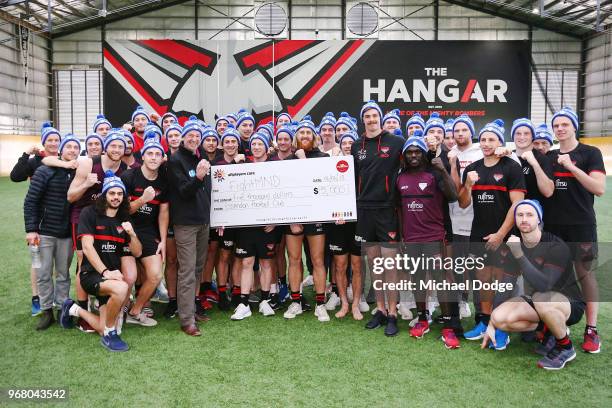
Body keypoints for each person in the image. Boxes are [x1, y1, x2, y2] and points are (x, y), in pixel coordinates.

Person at [486, 200, 585, 369]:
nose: (524, 219)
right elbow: (506, 285)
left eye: (529, 215)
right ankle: (551, 328)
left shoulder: (555, 246)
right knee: (500, 318)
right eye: (520, 215)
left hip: (570, 304)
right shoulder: (515, 245)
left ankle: (565, 347)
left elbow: (544, 285)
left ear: (539, 220)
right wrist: (491, 323)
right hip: (539, 302)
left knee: (541, 297)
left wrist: (518, 253)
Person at [458, 119, 526, 349]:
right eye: (484, 139)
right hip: (479, 233)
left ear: (499, 141)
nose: (486, 143)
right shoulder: (472, 169)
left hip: (504, 235)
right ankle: (484, 321)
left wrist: (500, 234)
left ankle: (500, 328)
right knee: (482, 280)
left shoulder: (511, 167)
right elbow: (464, 203)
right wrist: (467, 184)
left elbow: (517, 206)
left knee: (501, 282)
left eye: (491, 139)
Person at [59, 172, 142, 352]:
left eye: (120, 194)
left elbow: (137, 252)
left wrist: (132, 235)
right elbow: (87, 248)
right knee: (122, 287)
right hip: (92, 275)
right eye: (112, 193)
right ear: (104, 194)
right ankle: (111, 334)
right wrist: (106, 272)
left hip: (111, 279)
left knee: (102, 325)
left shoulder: (125, 218)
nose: (116, 197)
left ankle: (73, 309)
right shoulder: (90, 213)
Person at [545, 106, 606, 353]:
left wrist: (571, 166)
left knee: (585, 275)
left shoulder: (590, 153)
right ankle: (556, 327)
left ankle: (591, 330)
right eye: (556, 126)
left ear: (574, 127)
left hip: (581, 225)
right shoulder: (548, 156)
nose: (560, 129)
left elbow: (598, 188)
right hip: (553, 226)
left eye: (564, 125)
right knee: (555, 277)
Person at [396, 136, 462, 348]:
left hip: (435, 237)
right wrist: (401, 237)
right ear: (405, 155)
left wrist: (443, 170)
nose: (413, 155)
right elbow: (398, 210)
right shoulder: (401, 177)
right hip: (411, 239)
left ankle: (448, 326)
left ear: (424, 153)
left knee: (440, 278)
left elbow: (453, 197)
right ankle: (423, 318)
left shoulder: (434, 173)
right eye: (410, 152)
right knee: (417, 279)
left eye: (417, 151)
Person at [64, 131, 129, 333]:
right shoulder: (88, 163)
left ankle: (107, 300)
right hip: (84, 214)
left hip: (108, 217)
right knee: (84, 259)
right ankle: (81, 309)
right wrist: (86, 184)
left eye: (121, 146)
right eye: (113, 146)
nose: (117, 150)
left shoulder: (125, 168)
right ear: (105, 147)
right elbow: (70, 197)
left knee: (109, 257)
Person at [352, 100, 404, 336]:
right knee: (374, 265)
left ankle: (393, 312)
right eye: (367, 116)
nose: (371, 120)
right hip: (364, 211)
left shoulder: (397, 142)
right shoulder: (356, 146)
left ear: (380, 118)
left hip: (387, 210)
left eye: (375, 116)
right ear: (362, 119)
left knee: (389, 265)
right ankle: (380, 309)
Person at [23, 135, 80, 330]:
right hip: (44, 231)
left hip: (65, 233)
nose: (72, 150)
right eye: (69, 147)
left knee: (63, 274)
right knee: (44, 273)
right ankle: (46, 310)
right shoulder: (44, 171)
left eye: (76, 147)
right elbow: (31, 201)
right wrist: (31, 229)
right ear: (61, 150)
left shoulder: (77, 173)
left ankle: (62, 308)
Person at [11, 122, 64, 316]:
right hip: (38, 220)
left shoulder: (63, 160)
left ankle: (58, 302)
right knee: (38, 263)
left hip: (57, 220)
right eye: (49, 140)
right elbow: (16, 177)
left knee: (58, 266)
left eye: (56, 140)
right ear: (43, 142)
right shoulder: (34, 162)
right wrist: (26, 154)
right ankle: (37, 298)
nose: (53, 143)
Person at [167, 117, 212, 336]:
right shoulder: (176, 160)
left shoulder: (200, 157)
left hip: (203, 222)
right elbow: (184, 191)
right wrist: (200, 176)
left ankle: (191, 309)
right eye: (190, 136)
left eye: (197, 136)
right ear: (183, 138)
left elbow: (206, 192)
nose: (194, 139)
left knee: (196, 268)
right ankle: (186, 320)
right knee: (186, 271)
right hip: (186, 223)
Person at [283, 117, 331, 322]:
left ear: (314, 136)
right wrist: (292, 218)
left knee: (318, 260)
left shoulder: (323, 158)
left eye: (308, 133)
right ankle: (296, 301)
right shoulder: (288, 161)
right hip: (294, 219)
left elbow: (323, 188)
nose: (304, 136)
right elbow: (284, 192)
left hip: (316, 217)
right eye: (301, 133)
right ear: (296, 136)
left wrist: (303, 161)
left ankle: (320, 304)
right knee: (294, 260)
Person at [121, 139, 170, 326]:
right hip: (126, 229)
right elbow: (123, 211)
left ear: (162, 158)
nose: (154, 157)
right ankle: (119, 310)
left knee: (156, 274)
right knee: (129, 276)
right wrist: (143, 199)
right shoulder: (129, 176)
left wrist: (163, 240)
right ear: (143, 156)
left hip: (148, 231)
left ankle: (135, 311)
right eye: (150, 153)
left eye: (158, 154)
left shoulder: (163, 181)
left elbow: (164, 213)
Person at [231, 133, 279, 320]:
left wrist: (275, 219)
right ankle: (244, 304)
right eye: (254, 144)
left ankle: (265, 301)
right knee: (246, 263)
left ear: (267, 148)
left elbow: (284, 196)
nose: (257, 147)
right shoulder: (243, 167)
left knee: (267, 263)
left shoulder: (275, 167)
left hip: (267, 226)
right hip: (246, 225)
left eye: (261, 144)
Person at [447, 114, 484, 321]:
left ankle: (482, 307)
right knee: (459, 264)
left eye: (464, 130)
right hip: (457, 217)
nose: (460, 133)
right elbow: (453, 190)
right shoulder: (450, 153)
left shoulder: (482, 150)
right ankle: (462, 300)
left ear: (471, 131)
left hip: (480, 218)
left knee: (477, 266)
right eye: (457, 131)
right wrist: (453, 165)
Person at [326, 130, 366, 320]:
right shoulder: (332, 167)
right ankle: (344, 302)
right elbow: (324, 193)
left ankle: (356, 303)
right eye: (345, 143)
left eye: (352, 142)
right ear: (340, 146)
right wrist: (334, 212)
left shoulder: (365, 165)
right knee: (340, 265)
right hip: (338, 223)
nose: (348, 145)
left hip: (359, 223)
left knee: (357, 265)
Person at [211, 125, 245, 311]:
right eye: (227, 142)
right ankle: (222, 292)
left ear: (238, 144)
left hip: (242, 218)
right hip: (224, 220)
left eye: (233, 141)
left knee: (239, 257)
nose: (231, 144)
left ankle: (238, 291)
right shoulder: (216, 165)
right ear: (222, 145)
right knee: (223, 255)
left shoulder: (246, 162)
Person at [162, 123, 182, 318]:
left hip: (185, 216)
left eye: (177, 134)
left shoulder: (190, 157)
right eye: (171, 135)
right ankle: (172, 299)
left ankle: (191, 299)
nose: (174, 138)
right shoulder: (161, 160)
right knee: (171, 259)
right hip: (167, 215)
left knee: (188, 262)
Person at [510, 118, 554, 201]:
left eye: (526, 133)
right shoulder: (509, 157)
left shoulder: (542, 158)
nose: (522, 137)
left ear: (532, 136)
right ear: (513, 136)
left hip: (535, 211)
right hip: (512, 211)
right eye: (518, 133)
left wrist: (534, 163)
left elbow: (548, 192)